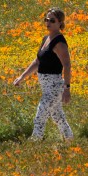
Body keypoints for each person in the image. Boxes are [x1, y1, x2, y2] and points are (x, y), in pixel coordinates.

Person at [13, 8, 74, 141]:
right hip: (45, 87)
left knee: (41, 114)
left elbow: (67, 65)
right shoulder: (46, 38)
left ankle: (34, 142)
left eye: (52, 20)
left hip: (55, 86)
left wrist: (67, 89)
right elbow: (37, 61)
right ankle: (70, 140)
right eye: (46, 19)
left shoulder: (59, 42)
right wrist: (21, 77)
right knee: (57, 116)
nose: (48, 22)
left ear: (60, 23)